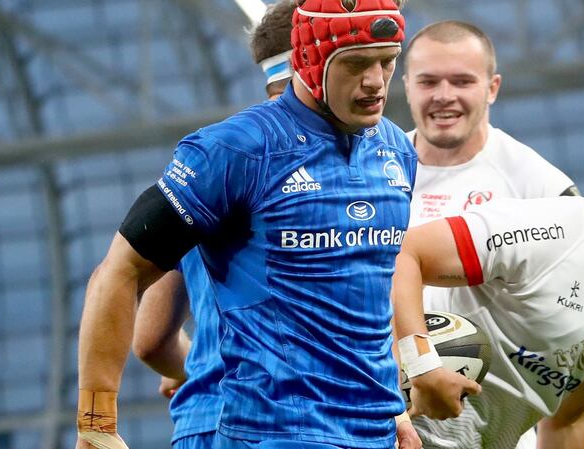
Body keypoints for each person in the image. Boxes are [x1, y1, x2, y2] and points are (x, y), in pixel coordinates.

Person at [75, 0, 424, 448]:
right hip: (272, 433)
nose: (376, 81)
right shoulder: (235, 150)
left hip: (372, 433)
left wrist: (391, 407)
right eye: (357, 64)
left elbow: (369, 303)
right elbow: (121, 270)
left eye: (388, 61)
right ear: (306, 60)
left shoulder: (396, 151)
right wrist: (96, 423)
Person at [393, 104, 584, 449]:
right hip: (392, 433)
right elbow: (406, 254)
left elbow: (572, 416)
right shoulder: (541, 230)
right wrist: (422, 366)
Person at [400, 20, 577, 449]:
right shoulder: (372, 173)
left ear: (492, 87)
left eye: (462, 81)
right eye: (428, 82)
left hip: (489, 430)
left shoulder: (543, 190)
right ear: (405, 86)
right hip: (389, 420)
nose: (444, 95)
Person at [130, 3, 299, 449]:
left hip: (204, 420)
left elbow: (149, 340)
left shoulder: (211, 163)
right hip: (293, 421)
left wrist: (200, 368)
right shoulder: (352, 165)